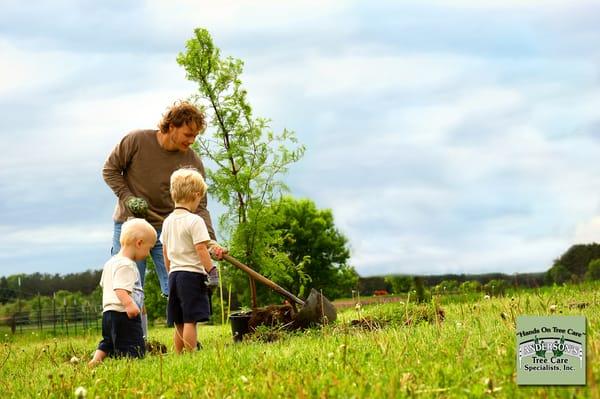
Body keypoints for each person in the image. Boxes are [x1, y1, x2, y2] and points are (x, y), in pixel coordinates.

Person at [102, 101, 226, 336]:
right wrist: (128, 198)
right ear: (171, 125)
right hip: (131, 226)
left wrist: (209, 241)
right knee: (126, 284)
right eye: (188, 134)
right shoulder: (136, 141)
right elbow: (109, 170)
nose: (191, 141)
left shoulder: (192, 160)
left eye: (195, 136)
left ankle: (185, 340)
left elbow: (200, 206)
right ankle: (133, 341)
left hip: (168, 229)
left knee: (177, 285)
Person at [161, 168, 218, 353]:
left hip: (174, 276)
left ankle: (178, 354)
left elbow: (165, 251)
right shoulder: (195, 220)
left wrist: (169, 272)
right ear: (196, 195)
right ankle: (191, 354)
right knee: (190, 319)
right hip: (191, 275)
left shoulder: (167, 221)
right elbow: (201, 248)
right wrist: (212, 270)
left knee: (178, 319)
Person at [88, 218, 157, 366]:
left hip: (108, 313)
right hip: (124, 314)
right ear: (139, 243)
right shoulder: (127, 265)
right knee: (133, 345)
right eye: (149, 248)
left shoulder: (110, 263)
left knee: (108, 342)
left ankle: (96, 360)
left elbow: (104, 285)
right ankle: (132, 365)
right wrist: (129, 305)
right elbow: (120, 288)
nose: (148, 253)